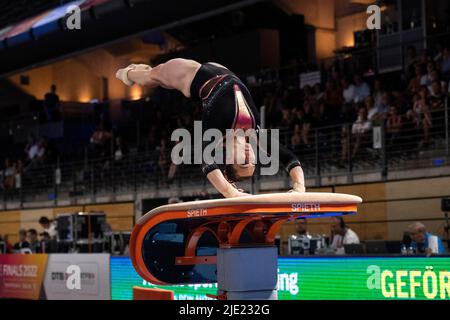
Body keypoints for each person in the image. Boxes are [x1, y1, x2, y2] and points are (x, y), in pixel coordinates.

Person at [116, 59, 305, 197]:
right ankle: (139, 71)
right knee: (154, 76)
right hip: (222, 69)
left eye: (242, 162)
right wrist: (299, 186)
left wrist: (229, 192)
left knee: (153, 76)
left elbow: (206, 161)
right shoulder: (255, 133)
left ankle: (129, 73)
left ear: (228, 158)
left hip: (190, 75)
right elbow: (288, 157)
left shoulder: (216, 130)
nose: (249, 156)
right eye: (252, 162)